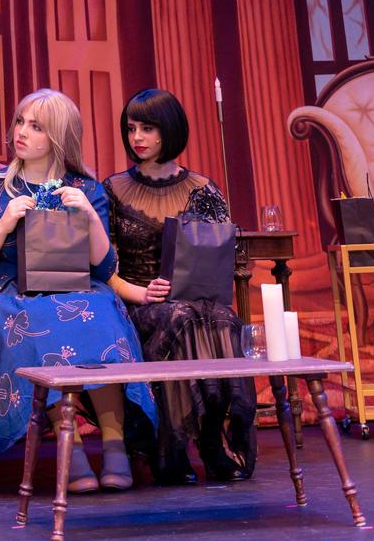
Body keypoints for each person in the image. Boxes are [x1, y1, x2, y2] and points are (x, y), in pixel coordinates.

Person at [0, 88, 156, 494]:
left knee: (102, 315)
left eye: (36, 127)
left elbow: (104, 267)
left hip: (78, 283)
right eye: (20, 121)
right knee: (38, 323)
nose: (21, 132)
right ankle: (69, 447)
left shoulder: (86, 188)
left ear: (58, 137)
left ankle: (114, 445)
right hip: (15, 289)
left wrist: (88, 214)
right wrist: (4, 223)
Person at [103, 88, 257, 485]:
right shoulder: (113, 189)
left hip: (197, 301)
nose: (137, 137)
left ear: (169, 130)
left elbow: (221, 258)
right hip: (139, 304)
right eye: (131, 128)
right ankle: (172, 445)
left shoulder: (203, 189)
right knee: (182, 316)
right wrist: (139, 291)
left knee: (223, 319)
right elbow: (104, 267)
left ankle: (210, 438)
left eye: (148, 128)